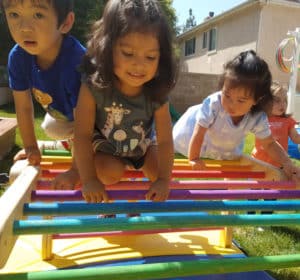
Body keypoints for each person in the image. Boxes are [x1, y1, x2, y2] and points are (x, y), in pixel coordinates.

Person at [74, 0, 177, 204]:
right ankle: (112, 206)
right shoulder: (93, 87)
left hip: (142, 147)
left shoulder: (156, 92)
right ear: (106, 47)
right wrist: (89, 179)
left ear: (161, 58)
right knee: (108, 173)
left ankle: (134, 203)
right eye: (128, 53)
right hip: (107, 150)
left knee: (159, 172)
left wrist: (164, 180)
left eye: (150, 57)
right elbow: (82, 135)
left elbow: (165, 140)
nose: (139, 65)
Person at [173, 50, 300, 182]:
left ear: (256, 100)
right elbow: (198, 132)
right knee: (174, 148)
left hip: (222, 147)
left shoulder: (256, 117)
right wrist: (193, 158)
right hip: (188, 138)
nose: (231, 104)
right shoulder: (214, 104)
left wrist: (286, 162)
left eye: (241, 100)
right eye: (227, 95)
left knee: (232, 158)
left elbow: (269, 144)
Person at [1, 0, 86, 189]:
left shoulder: (77, 61)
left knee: (101, 160)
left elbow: (84, 123)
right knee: (50, 126)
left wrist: (76, 170)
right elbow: (23, 107)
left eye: (38, 15)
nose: (24, 28)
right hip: (65, 116)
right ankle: (68, 143)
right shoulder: (18, 57)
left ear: (65, 23)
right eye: (14, 14)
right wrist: (30, 147)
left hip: (100, 121)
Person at [249, 81, 300, 215]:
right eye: (277, 100)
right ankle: (249, 215)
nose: (282, 104)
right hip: (258, 162)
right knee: (254, 190)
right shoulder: (260, 119)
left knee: (271, 193)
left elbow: (296, 138)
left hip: (278, 164)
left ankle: (265, 219)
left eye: (284, 101)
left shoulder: (288, 121)